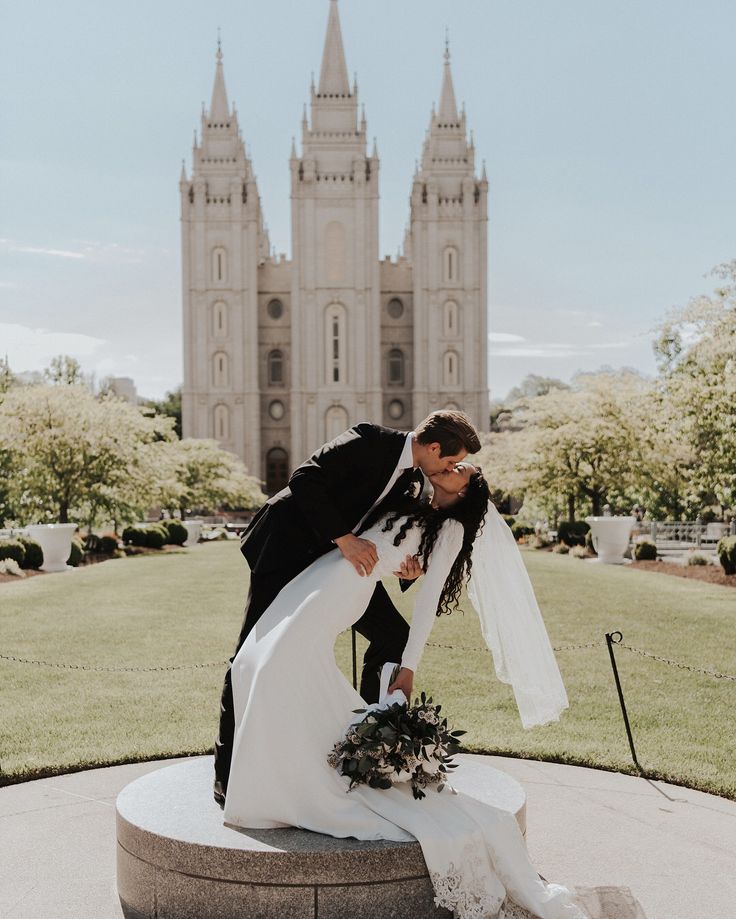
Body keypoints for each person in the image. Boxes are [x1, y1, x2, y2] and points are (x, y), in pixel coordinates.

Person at [223, 463, 586, 919]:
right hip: (318, 575)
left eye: (460, 470)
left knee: (277, 664)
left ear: (467, 489)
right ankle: (288, 768)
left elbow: (428, 602)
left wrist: (408, 668)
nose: (449, 468)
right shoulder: (410, 493)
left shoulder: (452, 530)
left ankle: (292, 784)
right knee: (252, 664)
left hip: (347, 588)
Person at [213, 411, 482, 805]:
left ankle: (368, 745)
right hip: (287, 551)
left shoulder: (413, 480)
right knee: (249, 656)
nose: (448, 469)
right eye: (449, 461)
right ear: (434, 447)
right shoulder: (369, 439)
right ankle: (228, 774)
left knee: (393, 636)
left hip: (342, 569)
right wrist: (343, 539)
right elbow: (304, 478)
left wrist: (407, 570)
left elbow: (392, 532)